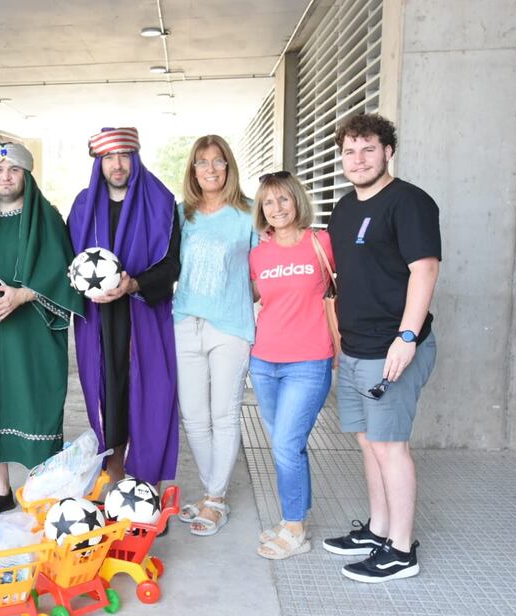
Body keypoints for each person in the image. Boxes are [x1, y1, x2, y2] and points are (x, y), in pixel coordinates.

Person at [322, 113, 440, 583]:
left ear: (388, 151)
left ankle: (400, 550)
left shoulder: (409, 202)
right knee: (369, 443)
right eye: (350, 151)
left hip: (392, 348)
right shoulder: (345, 208)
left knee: (391, 446)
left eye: (368, 149)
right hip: (355, 348)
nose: (358, 159)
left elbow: (424, 270)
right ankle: (378, 529)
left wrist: (407, 338)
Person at [0, 142, 84, 521]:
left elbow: (64, 275)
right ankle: (0, 490)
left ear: (26, 175)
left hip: (33, 335)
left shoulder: (48, 219)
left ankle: (40, 488)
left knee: (35, 403)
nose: (6, 177)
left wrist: (23, 295)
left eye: (14, 171)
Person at [67, 127, 180, 488]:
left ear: (135, 157)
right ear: (98, 163)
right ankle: (118, 488)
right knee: (109, 402)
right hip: (98, 321)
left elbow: (172, 264)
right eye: (109, 158)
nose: (117, 165)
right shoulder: (83, 206)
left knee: (151, 400)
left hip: (144, 315)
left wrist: (134, 284)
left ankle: (146, 490)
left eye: (124, 156)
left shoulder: (161, 202)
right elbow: (68, 261)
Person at [247, 171, 335, 559]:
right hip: (264, 362)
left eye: (284, 199)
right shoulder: (258, 253)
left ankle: (296, 529)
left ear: (297, 200)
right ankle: (291, 519)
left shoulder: (321, 242)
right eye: (269, 202)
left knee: (285, 443)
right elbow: (257, 298)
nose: (277, 208)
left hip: (309, 360)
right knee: (287, 446)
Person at [173, 135, 257, 536]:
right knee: (193, 416)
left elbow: (261, 273)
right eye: (202, 162)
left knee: (224, 415)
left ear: (229, 167)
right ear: (193, 170)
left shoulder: (249, 214)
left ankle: (216, 500)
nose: (210, 169)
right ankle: (211, 493)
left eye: (218, 162)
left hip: (231, 328)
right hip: (185, 323)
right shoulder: (181, 215)